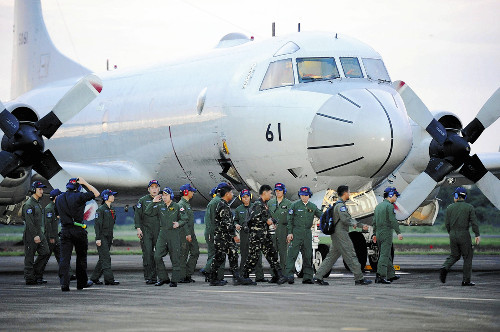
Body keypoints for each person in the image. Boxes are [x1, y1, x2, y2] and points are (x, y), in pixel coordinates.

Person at [313, 185, 372, 286]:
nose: (349, 194)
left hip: (336, 235)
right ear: (344, 193)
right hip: (341, 234)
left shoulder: (338, 205)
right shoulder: (341, 206)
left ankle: (318, 276)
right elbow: (346, 220)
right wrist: (360, 225)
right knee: (351, 254)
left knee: (331, 257)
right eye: (348, 192)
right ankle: (359, 278)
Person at [56, 177, 100, 291]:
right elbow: (96, 193)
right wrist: (85, 182)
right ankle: (81, 283)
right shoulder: (80, 196)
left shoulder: (59, 198)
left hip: (65, 230)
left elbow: (57, 215)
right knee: (81, 258)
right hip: (78, 230)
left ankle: (64, 284)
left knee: (64, 258)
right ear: (78, 187)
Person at [242, 185, 288, 285]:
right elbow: (254, 219)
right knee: (253, 257)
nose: (271, 195)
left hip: (264, 235)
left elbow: (265, 217)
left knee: (272, 254)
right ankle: (244, 276)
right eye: (270, 193)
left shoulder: (264, 204)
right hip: (257, 235)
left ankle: (278, 276)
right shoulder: (258, 204)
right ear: (264, 193)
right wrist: (267, 221)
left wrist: (271, 221)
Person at [147, 187, 188, 287]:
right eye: (163, 195)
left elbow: (185, 218)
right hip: (162, 233)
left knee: (175, 257)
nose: (164, 197)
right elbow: (148, 212)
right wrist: (153, 202)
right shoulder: (160, 206)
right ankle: (163, 278)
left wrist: (178, 223)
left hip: (173, 233)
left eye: (166, 195)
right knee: (157, 256)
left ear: (171, 196)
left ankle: (174, 280)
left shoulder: (177, 206)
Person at [440, 187, 480, 286]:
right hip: (464, 234)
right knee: (467, 257)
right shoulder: (469, 207)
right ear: (465, 196)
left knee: (454, 255)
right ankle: (466, 280)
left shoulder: (450, 207)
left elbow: (447, 224)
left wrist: (451, 233)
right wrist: (477, 234)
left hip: (453, 234)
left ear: (457, 196)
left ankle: (445, 267)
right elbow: (474, 223)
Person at [209, 183, 246, 286]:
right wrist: (234, 235)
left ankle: (236, 277)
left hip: (226, 237)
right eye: (231, 193)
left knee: (233, 255)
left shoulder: (224, 205)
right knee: (219, 257)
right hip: (222, 237)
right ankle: (213, 279)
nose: (232, 194)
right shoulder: (223, 206)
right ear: (226, 194)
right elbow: (227, 223)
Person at [285, 186, 322, 284]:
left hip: (307, 233)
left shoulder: (312, 206)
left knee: (308, 255)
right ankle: (289, 275)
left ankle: (307, 277)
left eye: (306, 195)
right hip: (296, 232)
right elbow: (289, 220)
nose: (304, 197)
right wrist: (290, 233)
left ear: (309, 196)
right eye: (302, 195)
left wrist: (329, 215)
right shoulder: (295, 205)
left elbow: (321, 215)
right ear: (299, 195)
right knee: (292, 254)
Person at [234, 189, 267, 282]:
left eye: (247, 197)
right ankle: (242, 275)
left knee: (257, 255)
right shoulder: (238, 209)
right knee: (244, 255)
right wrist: (236, 224)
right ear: (241, 198)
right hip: (244, 235)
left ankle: (260, 276)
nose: (246, 199)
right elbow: (235, 220)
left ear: (250, 197)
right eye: (244, 197)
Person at [373, 187, 404, 284]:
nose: (396, 198)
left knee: (386, 253)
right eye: (395, 195)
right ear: (390, 195)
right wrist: (398, 232)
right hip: (386, 232)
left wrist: (374, 234)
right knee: (384, 255)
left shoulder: (378, 206)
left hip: (378, 232)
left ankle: (391, 275)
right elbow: (392, 220)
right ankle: (380, 276)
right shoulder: (390, 206)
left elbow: (374, 221)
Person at [23, 181, 50, 285]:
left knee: (45, 252)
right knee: (29, 256)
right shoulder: (29, 204)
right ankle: (29, 278)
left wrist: (39, 234)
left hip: (39, 232)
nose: (42, 191)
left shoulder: (38, 203)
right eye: (40, 189)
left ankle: (35, 273)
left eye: (42, 189)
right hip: (31, 234)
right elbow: (29, 223)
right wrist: (35, 235)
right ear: (34, 190)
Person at [134, 180, 161, 284]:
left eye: (156, 187)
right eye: (152, 187)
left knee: (158, 254)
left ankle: (159, 275)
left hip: (158, 230)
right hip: (146, 230)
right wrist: (138, 228)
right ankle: (149, 276)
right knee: (148, 253)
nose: (154, 189)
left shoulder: (162, 199)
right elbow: (137, 215)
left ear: (159, 189)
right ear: (148, 189)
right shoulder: (143, 200)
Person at [90, 189, 120, 286]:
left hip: (108, 237)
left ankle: (94, 278)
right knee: (106, 258)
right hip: (102, 236)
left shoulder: (111, 210)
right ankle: (109, 280)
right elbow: (97, 225)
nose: (113, 197)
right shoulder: (100, 210)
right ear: (106, 197)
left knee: (103, 258)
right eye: (111, 195)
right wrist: (98, 238)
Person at [267, 182, 293, 283]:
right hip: (272, 230)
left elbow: (290, 220)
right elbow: (267, 215)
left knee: (283, 254)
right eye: (276, 190)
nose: (278, 192)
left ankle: (284, 275)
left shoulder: (289, 204)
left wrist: (290, 232)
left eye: (280, 190)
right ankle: (274, 275)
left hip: (283, 229)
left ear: (284, 191)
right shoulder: (270, 203)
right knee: (273, 254)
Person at [201, 184, 226, 283]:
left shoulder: (213, 202)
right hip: (214, 232)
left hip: (211, 232)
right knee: (218, 254)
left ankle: (213, 276)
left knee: (212, 254)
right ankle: (208, 271)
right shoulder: (217, 202)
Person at [178, 183, 200, 283]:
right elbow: (183, 222)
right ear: (186, 192)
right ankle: (182, 276)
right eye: (191, 191)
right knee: (183, 255)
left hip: (191, 233)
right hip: (184, 234)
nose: (193, 193)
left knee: (195, 252)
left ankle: (188, 274)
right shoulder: (181, 205)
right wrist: (187, 234)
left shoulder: (187, 204)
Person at [44, 189, 62, 267]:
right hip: (50, 237)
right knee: (44, 257)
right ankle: (37, 274)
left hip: (55, 236)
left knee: (61, 255)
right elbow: (48, 224)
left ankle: (68, 273)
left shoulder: (56, 207)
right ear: (56, 197)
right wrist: (51, 237)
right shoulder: (49, 208)